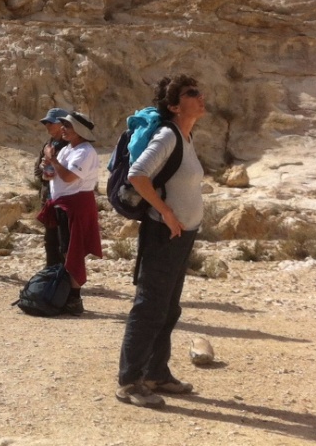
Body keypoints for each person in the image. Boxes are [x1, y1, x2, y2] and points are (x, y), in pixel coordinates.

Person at [117, 76, 207, 408]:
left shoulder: (186, 136)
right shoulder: (168, 135)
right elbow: (138, 175)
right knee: (149, 307)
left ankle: (156, 372)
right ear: (173, 106)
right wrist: (167, 212)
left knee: (168, 308)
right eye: (192, 93)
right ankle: (129, 382)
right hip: (163, 234)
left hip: (181, 235)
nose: (201, 97)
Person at [39, 111, 102, 313]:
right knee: (61, 248)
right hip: (62, 203)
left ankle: (74, 298)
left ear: (80, 131)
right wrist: (47, 165)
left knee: (71, 250)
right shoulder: (68, 150)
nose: (63, 129)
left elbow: (67, 177)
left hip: (76, 205)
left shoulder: (85, 152)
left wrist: (53, 160)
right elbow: (51, 177)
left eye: (68, 126)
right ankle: (62, 291)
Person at [36, 108, 75, 267]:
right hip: (49, 200)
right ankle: (51, 272)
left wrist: (54, 166)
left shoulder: (72, 146)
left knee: (65, 241)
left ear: (62, 124)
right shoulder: (48, 144)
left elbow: (73, 175)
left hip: (66, 201)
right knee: (50, 239)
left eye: (51, 123)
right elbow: (37, 171)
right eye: (46, 123)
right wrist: (43, 168)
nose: (48, 126)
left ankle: (66, 277)